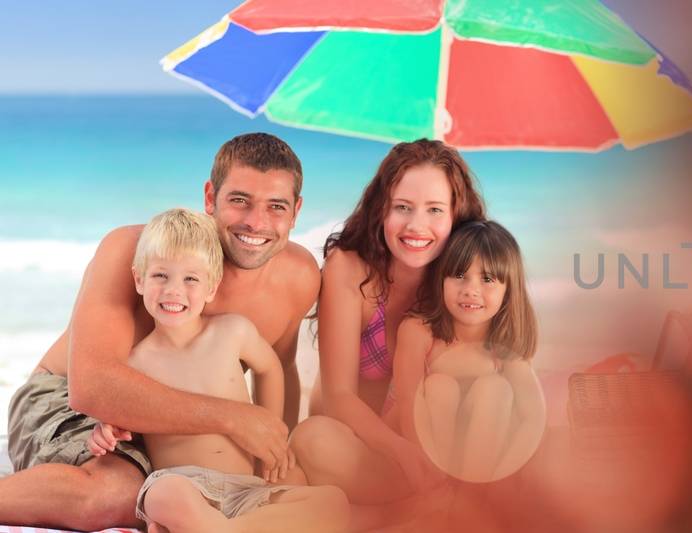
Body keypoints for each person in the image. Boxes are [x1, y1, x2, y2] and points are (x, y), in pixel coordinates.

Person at [0, 132, 320, 531]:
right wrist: (235, 419)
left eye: (276, 206)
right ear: (210, 197)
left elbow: (280, 368)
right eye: (239, 200)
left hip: (173, 433)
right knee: (117, 493)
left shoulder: (299, 277)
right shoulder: (136, 251)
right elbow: (91, 387)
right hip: (69, 398)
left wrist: (274, 452)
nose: (256, 222)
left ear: (296, 211)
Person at [84, 208, 346, 533]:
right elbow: (122, 416)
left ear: (211, 287)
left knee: (333, 502)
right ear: (139, 279)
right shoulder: (135, 362)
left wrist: (271, 436)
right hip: (186, 485)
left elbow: (270, 369)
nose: (173, 290)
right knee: (161, 494)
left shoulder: (232, 332)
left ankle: (221, 530)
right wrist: (105, 432)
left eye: (190, 278)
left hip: (246, 488)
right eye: (160, 276)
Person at [289, 139, 487, 514]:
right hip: (355, 441)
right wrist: (405, 454)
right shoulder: (350, 268)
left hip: (424, 441)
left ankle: (387, 512)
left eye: (434, 210)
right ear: (382, 209)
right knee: (312, 438)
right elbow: (339, 396)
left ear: (456, 215)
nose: (417, 226)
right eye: (403, 207)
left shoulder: (463, 280)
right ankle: (407, 512)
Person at [389, 220, 543, 484]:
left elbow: (533, 418)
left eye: (487, 279)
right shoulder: (419, 331)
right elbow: (408, 408)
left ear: (508, 291)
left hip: (478, 464)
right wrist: (429, 473)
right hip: (415, 454)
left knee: (497, 389)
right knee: (440, 386)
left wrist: (500, 477)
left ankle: (474, 494)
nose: (471, 290)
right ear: (441, 279)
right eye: (459, 275)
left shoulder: (503, 347)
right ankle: (443, 493)